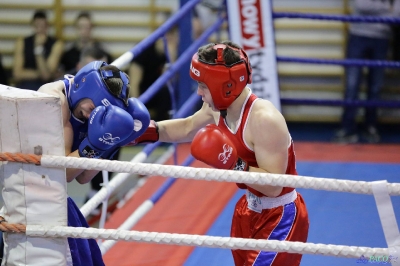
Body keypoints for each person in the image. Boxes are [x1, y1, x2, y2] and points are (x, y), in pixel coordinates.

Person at [130, 41, 309, 265]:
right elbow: (187, 127)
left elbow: (274, 187)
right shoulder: (216, 107)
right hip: (247, 209)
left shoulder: (264, 119)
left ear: (224, 86)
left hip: (279, 215)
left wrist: (234, 164)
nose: (198, 92)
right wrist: (143, 132)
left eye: (203, 86)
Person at [37, 60, 151, 265]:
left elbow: (83, 177)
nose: (91, 116)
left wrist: (108, 143)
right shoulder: (55, 100)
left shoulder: (86, 110)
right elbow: (63, 174)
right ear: (84, 87)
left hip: (50, 192)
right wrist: (93, 145)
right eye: (92, 108)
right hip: (28, 190)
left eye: (98, 113)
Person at [333, 0, 395, 144]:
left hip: (382, 38)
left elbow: (397, 13)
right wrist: (387, 8)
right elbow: (361, 5)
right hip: (358, 35)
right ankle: (348, 128)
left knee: (375, 86)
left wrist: (379, 10)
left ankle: (370, 127)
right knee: (352, 85)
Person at [128, 26, 178, 121]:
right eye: (172, 38)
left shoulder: (171, 53)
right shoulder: (144, 49)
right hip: (141, 93)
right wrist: (137, 111)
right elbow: (133, 84)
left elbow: (169, 83)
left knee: (167, 92)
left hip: (158, 95)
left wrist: (171, 58)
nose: (175, 43)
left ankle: (160, 128)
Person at [12, 10, 64, 91]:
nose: (40, 30)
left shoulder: (56, 44)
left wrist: (38, 49)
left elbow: (46, 77)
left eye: (43, 26)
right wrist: (40, 73)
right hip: (24, 86)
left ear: (47, 26)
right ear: (33, 25)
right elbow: (17, 74)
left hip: (45, 87)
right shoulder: (22, 42)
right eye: (37, 26)